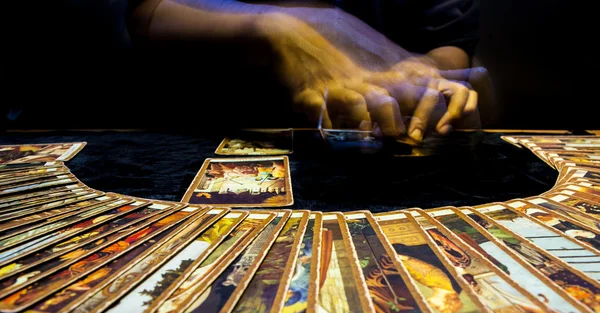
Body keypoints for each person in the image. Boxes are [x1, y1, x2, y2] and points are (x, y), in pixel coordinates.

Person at [127, 0, 487, 143]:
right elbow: (146, 15)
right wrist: (272, 29)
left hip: (381, 139)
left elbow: (451, 41)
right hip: (210, 124)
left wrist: (424, 71)